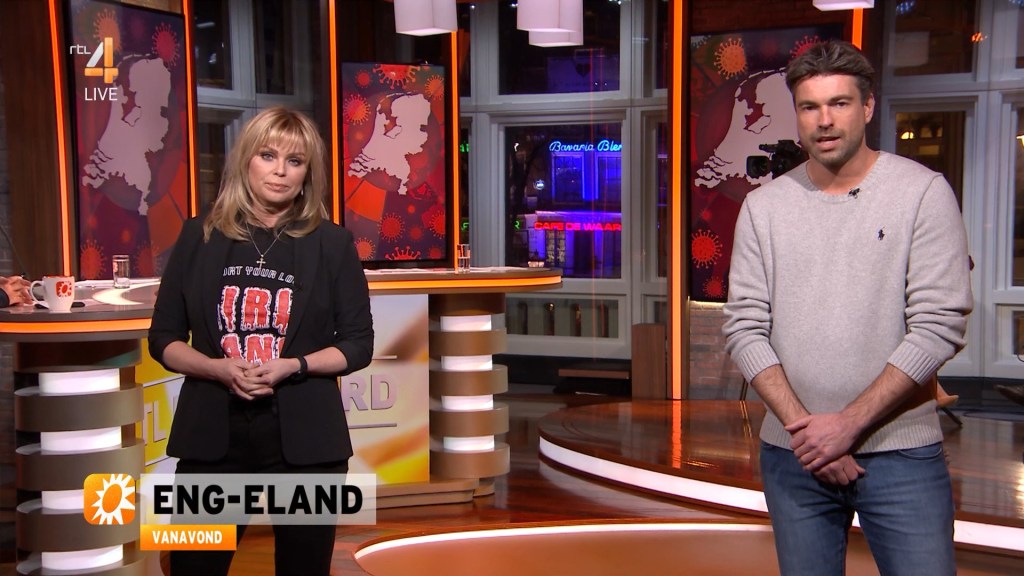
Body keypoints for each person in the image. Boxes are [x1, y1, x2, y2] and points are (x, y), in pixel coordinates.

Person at [722, 40, 972, 576]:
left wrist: (847, 426)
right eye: (810, 107)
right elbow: (744, 327)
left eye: (839, 103)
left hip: (900, 453)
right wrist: (808, 433)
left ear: (868, 106)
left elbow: (938, 325)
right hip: (795, 455)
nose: (824, 120)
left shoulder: (922, 193)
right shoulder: (764, 208)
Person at [148, 106, 374, 576]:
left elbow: (358, 344)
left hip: (308, 443)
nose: (280, 171)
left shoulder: (333, 244)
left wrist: (294, 366)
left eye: (295, 161)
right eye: (268, 156)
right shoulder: (198, 235)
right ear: (245, 160)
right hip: (212, 438)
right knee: (193, 570)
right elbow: (163, 339)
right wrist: (217, 369)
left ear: (307, 173)